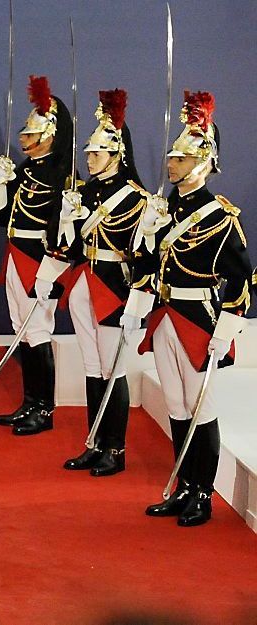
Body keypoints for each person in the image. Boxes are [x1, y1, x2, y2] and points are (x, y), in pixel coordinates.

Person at [124, 91, 251, 526]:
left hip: (199, 319)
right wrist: (144, 242)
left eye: (180, 158)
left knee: (201, 407)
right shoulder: (162, 208)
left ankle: (204, 493)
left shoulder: (220, 216)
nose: (171, 163)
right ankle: (183, 484)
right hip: (164, 315)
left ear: (202, 161)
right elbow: (145, 263)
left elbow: (240, 279)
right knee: (177, 405)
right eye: (172, 157)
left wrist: (227, 328)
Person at [53, 90, 149, 476]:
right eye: (88, 152)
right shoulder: (81, 192)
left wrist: (137, 304)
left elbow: (142, 256)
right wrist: (66, 220)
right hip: (83, 283)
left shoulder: (136, 199)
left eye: (97, 153)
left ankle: (116, 448)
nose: (89, 158)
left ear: (117, 154)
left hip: (114, 288)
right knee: (92, 366)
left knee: (113, 369)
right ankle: (94, 441)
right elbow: (72, 247)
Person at [0, 75, 73, 435]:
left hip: (38, 259)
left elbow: (63, 232)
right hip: (15, 253)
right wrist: (0, 184)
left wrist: (49, 271)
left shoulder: (62, 175)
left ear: (49, 135)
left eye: (29, 134)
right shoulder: (27, 170)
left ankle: (45, 408)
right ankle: (30, 402)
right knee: (21, 331)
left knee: (38, 332)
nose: (22, 139)